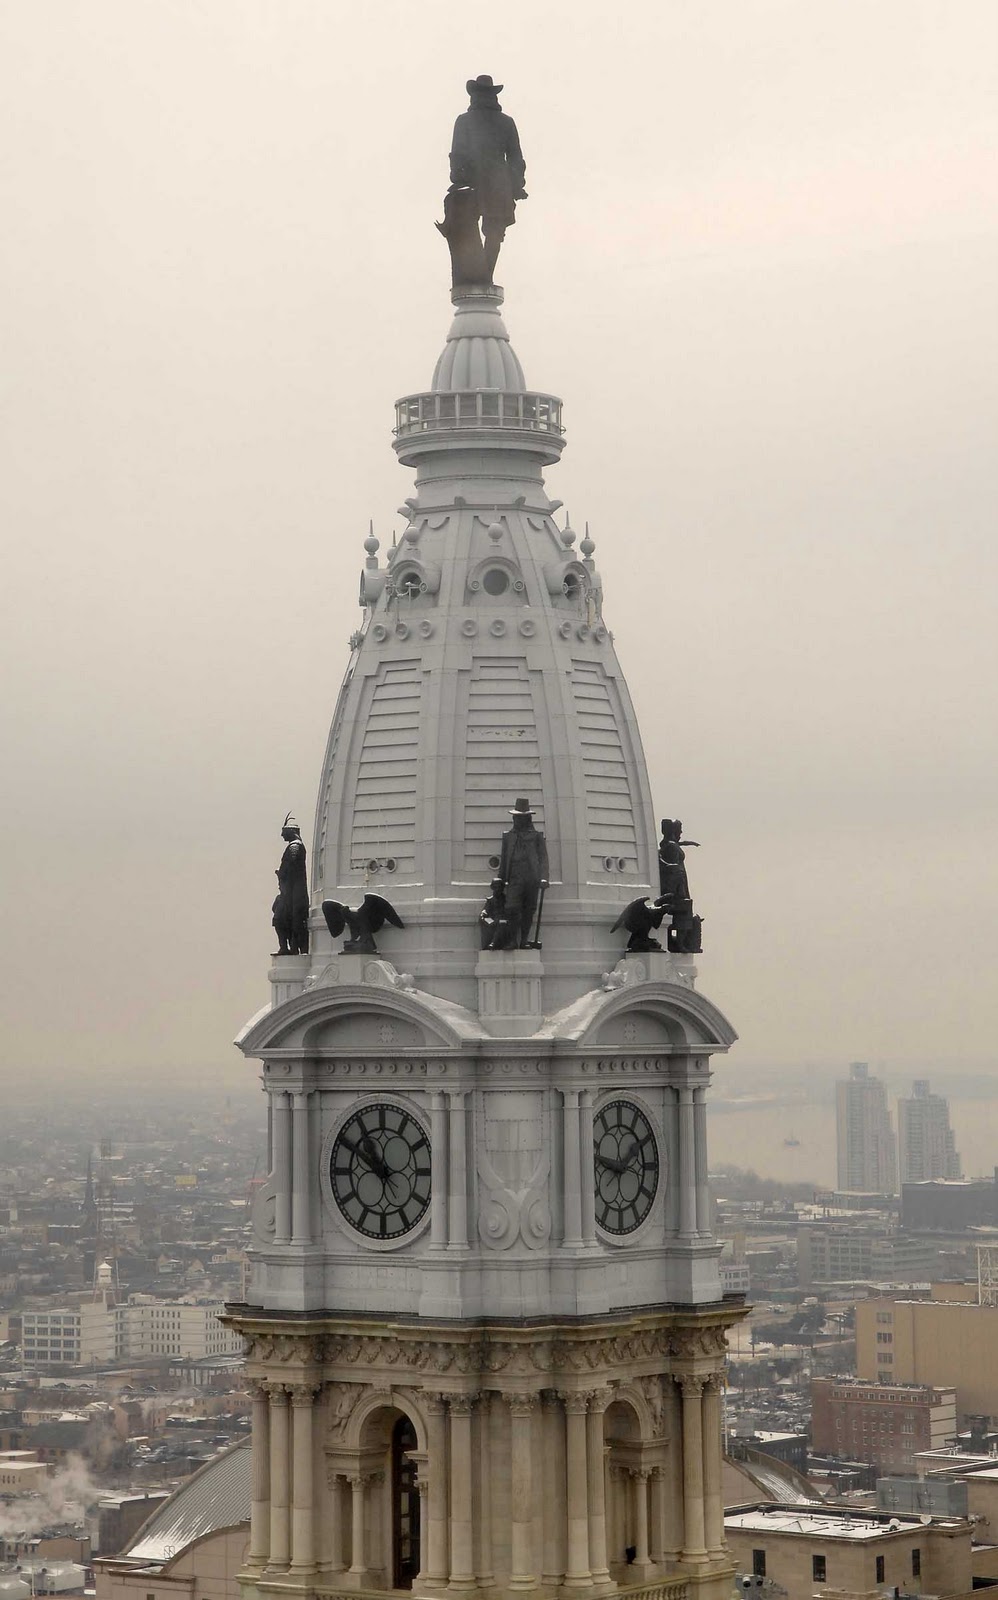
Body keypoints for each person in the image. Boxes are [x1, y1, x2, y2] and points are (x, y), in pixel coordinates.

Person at [440, 74, 527, 285]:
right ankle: (484, 275)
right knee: (494, 233)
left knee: (471, 230)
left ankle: (481, 277)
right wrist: (516, 185)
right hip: (498, 182)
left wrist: (458, 177)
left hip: (473, 180)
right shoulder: (506, 121)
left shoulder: (464, 120)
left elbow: (457, 153)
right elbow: (516, 158)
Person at [494, 798, 548, 949]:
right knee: (511, 908)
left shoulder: (536, 836)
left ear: (527, 818)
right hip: (514, 878)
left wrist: (544, 878)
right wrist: (500, 878)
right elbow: (504, 859)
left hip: (532, 878)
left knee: (528, 910)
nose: (517, 819)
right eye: (516, 817)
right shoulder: (509, 837)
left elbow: (543, 858)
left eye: (521, 817)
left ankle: (524, 940)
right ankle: (511, 940)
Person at [272, 814, 309, 956]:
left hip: (294, 894)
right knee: (280, 918)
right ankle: (285, 947)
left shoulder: (295, 847)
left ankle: (293, 947)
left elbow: (292, 864)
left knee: (294, 921)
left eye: (284, 833)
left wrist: (281, 872)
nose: (282, 836)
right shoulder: (293, 846)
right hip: (289, 892)